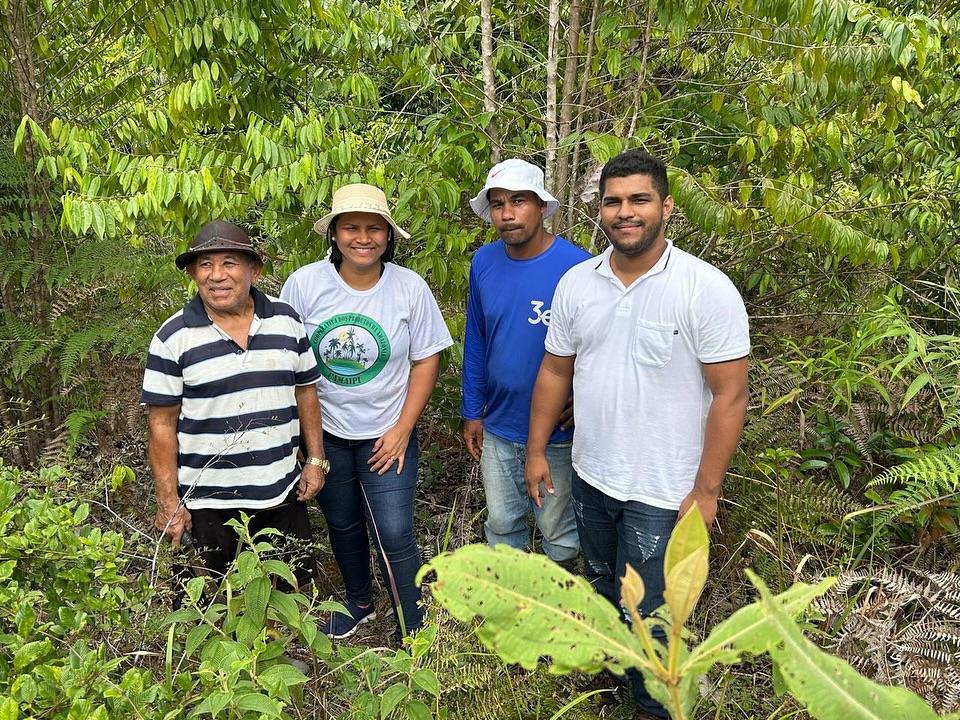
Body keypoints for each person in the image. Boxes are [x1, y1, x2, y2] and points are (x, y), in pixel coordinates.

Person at [525, 150, 749, 718]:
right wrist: (535, 450)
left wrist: (706, 492)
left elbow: (731, 395)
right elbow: (555, 370)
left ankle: (652, 705)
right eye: (613, 201)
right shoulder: (578, 283)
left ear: (666, 207)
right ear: (600, 210)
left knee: (652, 613)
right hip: (592, 473)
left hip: (664, 491)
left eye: (639, 200)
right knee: (602, 588)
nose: (625, 212)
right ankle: (612, 686)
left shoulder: (705, 289)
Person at [280, 183, 453, 641]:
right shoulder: (304, 284)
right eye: (351, 227)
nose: (363, 237)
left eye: (374, 228)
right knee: (342, 522)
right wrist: (303, 442)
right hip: (325, 434)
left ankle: (410, 620)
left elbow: (427, 357)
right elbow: (290, 359)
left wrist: (402, 429)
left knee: (394, 531)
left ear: (388, 235)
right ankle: (358, 601)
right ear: (334, 233)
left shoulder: (408, 287)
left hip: (387, 432)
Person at [142, 220, 326, 585]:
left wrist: (316, 461)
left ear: (253, 270)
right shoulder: (172, 338)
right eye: (205, 265)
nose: (217, 275)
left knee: (290, 599)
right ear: (194, 274)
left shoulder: (287, 321)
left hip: (282, 491)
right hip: (208, 503)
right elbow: (161, 425)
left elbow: (306, 391)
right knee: (213, 607)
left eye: (229, 263)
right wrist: (169, 500)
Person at [462, 158, 589, 565]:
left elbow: (599, 349)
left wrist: (584, 399)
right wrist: (472, 411)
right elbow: (477, 340)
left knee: (559, 529)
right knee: (502, 523)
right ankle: (510, 610)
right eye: (497, 204)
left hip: (559, 434)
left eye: (519, 201)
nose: (507, 213)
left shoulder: (579, 267)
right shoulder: (484, 263)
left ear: (541, 206)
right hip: (499, 425)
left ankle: (559, 614)